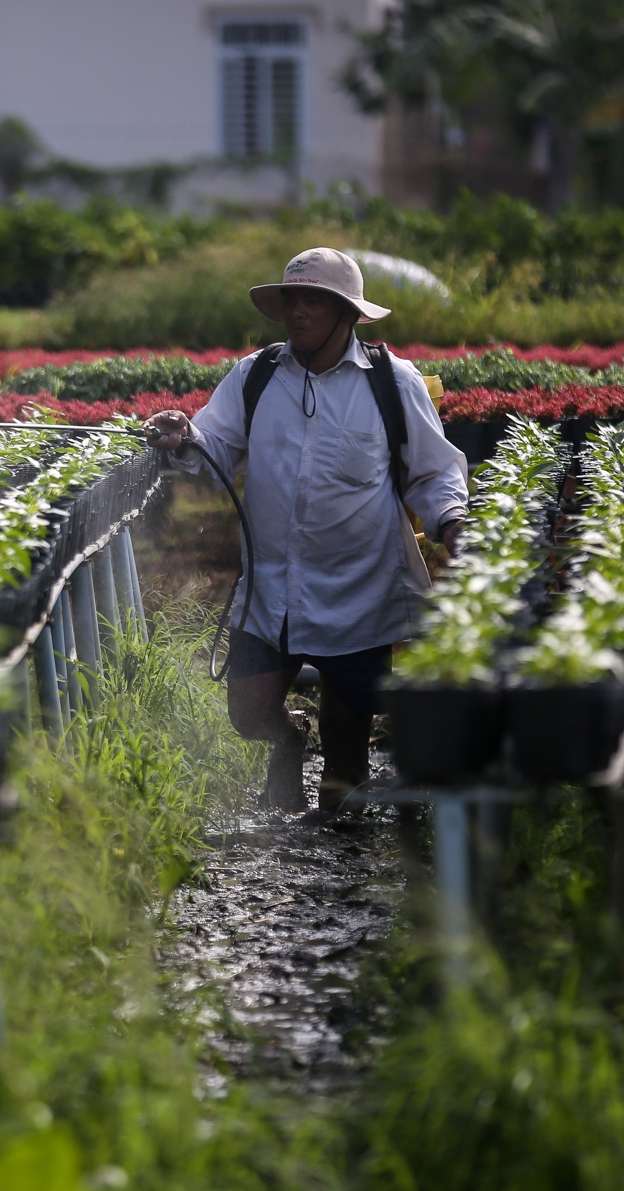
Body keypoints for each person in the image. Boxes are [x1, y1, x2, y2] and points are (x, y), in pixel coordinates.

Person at [145, 247, 468, 815]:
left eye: (313, 299)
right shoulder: (258, 375)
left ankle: (342, 866)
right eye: (291, 298)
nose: (297, 311)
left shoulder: (392, 383)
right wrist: (182, 434)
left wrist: (452, 523)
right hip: (272, 588)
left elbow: (434, 470)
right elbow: (215, 448)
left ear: (348, 313)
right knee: (247, 714)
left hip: (357, 595)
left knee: (345, 768)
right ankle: (290, 742)